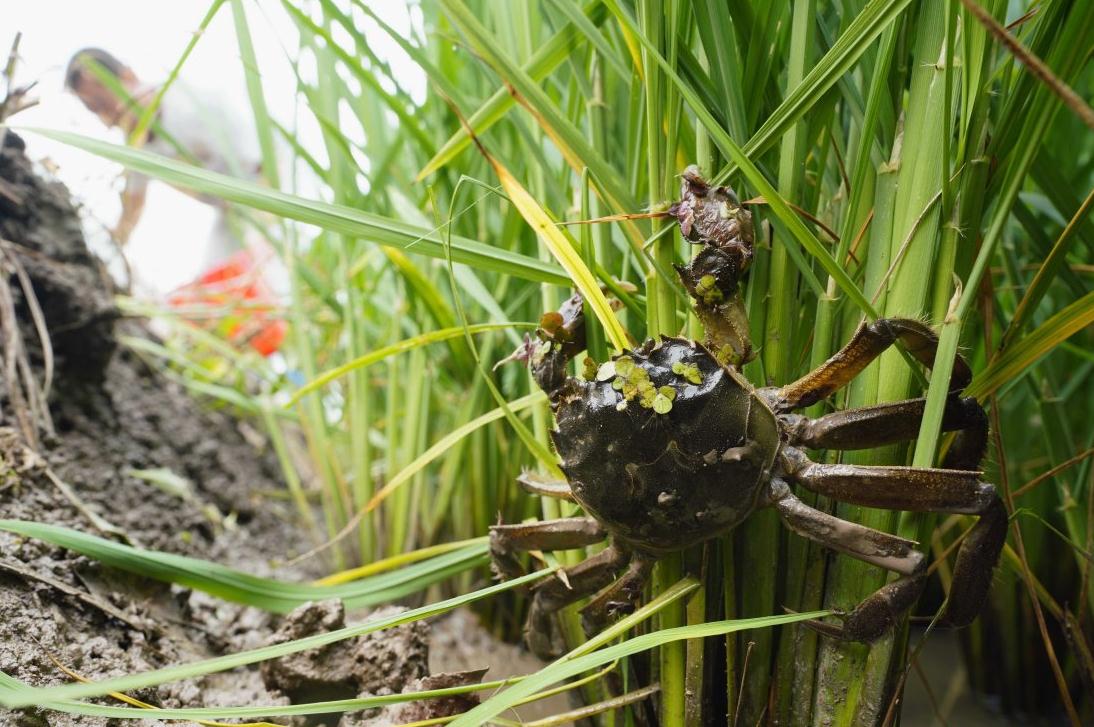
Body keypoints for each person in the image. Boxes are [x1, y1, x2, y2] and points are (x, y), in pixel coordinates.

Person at [64, 48, 284, 356]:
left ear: (128, 77)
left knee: (273, 285)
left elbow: (263, 169)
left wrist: (263, 241)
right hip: (231, 212)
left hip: (278, 197)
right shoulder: (140, 146)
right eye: (95, 110)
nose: (108, 116)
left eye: (105, 100)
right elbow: (131, 212)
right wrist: (100, 259)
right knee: (216, 287)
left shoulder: (190, 103)